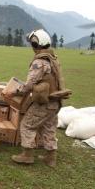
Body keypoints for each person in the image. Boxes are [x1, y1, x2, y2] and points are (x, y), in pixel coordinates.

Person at [4, 29, 65, 168]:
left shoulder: (39, 62)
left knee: (27, 125)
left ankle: (27, 155)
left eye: (32, 43)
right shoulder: (53, 59)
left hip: (44, 102)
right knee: (49, 127)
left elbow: (29, 85)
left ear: (36, 44)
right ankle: (50, 157)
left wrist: (13, 91)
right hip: (55, 102)